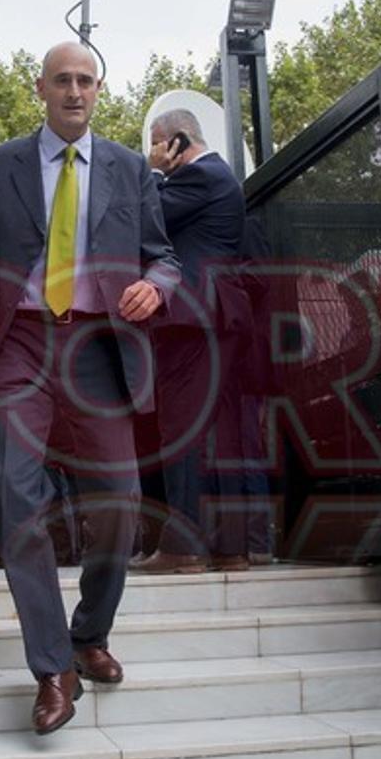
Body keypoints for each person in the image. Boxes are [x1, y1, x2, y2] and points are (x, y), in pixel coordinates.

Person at [0, 42, 181, 735]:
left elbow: (163, 255)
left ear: (98, 90)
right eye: (62, 81)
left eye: (86, 81)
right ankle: (52, 668)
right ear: (41, 88)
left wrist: (153, 285)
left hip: (99, 349)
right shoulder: (2, 164)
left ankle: (90, 631)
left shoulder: (132, 170)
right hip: (21, 345)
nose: (75, 91)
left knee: (121, 501)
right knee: (18, 497)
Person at [132, 108, 248, 574]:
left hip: (190, 318)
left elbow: (148, 218)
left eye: (157, 145)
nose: (153, 154)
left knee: (180, 427)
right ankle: (229, 548)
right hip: (212, 318)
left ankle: (183, 547)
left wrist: (152, 174)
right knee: (212, 432)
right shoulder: (217, 178)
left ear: (178, 142)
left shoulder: (200, 177)